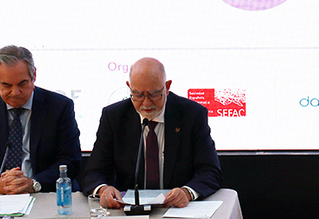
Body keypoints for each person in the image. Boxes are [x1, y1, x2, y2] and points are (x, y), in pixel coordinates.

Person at [81, 57, 221, 208]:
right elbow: (93, 173)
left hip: (175, 208)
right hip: (128, 210)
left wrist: (187, 192)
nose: (146, 103)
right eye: (138, 95)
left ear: (167, 87)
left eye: (154, 94)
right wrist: (103, 190)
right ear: (129, 87)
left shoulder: (192, 114)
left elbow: (210, 171)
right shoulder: (114, 117)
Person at [0, 45, 81, 194]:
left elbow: (70, 161)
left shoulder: (59, 107)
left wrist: (34, 184)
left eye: (22, 84)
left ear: (34, 75)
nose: (15, 92)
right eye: (6, 85)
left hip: (45, 193)